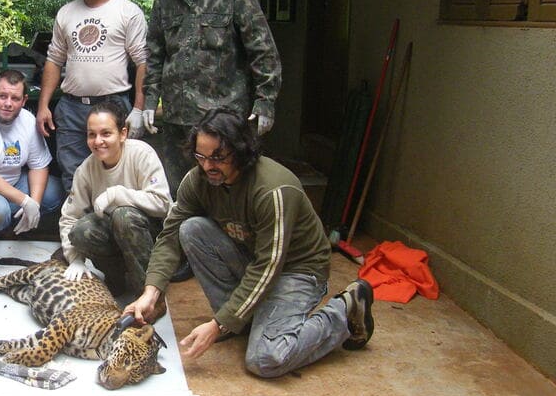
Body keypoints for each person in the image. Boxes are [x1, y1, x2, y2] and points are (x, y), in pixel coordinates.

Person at [124, 108, 374, 379]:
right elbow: (170, 236)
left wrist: (218, 325)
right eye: (201, 156)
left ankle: (343, 313)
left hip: (296, 270)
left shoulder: (272, 191)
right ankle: (238, 321)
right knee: (191, 229)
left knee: (266, 358)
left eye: (218, 157)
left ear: (241, 151)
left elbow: (268, 267)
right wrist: (151, 293)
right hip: (251, 257)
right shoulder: (198, 180)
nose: (208, 166)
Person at [142, 0, 282, 199]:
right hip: (178, 117)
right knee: (179, 192)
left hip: (223, 117)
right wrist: (148, 99)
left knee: (227, 190)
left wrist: (266, 100)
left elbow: (262, 47)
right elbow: (155, 52)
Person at [36, 0, 149, 192]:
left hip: (113, 104)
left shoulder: (128, 12)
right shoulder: (66, 12)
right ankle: (75, 229)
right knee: (73, 176)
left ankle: (111, 229)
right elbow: (54, 60)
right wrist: (44, 105)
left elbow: (143, 62)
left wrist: (139, 108)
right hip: (72, 107)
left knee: (117, 174)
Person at [59, 101, 172, 301]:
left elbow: (163, 204)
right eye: (91, 134)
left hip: (150, 234)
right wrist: (75, 259)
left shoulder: (141, 154)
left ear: (123, 134)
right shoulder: (86, 170)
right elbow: (69, 218)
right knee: (81, 230)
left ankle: (150, 295)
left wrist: (117, 194)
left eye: (106, 133)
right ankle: (116, 278)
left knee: (123, 215)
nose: (98, 141)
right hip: (115, 235)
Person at [0, 69, 65, 264]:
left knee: (55, 190)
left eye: (15, 98)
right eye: (2, 96)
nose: (8, 103)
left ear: (24, 100)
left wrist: (35, 203)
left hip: (12, 186)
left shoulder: (27, 120)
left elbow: (39, 166)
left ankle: (6, 227)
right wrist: (25, 201)